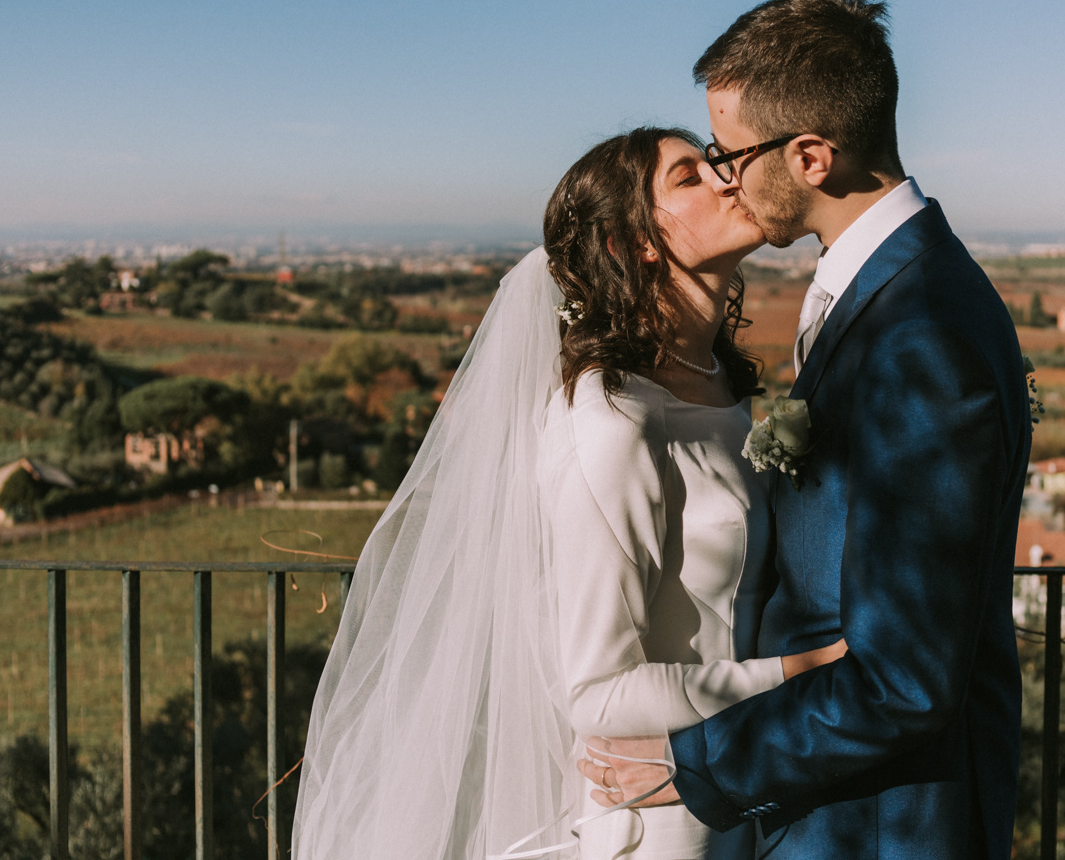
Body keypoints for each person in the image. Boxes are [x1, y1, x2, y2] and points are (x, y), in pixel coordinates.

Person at [292, 126, 842, 860]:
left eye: (711, 163)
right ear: (633, 244)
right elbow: (598, 693)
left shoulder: (716, 383)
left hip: (746, 789)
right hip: (665, 824)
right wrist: (805, 673)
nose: (726, 178)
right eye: (688, 177)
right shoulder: (613, 419)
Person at [583, 0, 1031, 860]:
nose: (724, 174)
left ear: (812, 158)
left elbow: (904, 680)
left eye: (730, 152)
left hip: (882, 827)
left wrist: (696, 765)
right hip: (831, 808)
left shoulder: (923, 338)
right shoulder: (882, 291)